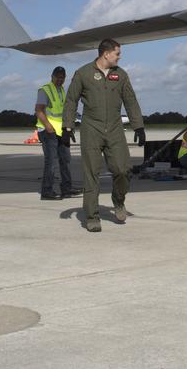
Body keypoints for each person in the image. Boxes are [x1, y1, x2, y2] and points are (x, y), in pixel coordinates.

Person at [61, 39, 145, 232]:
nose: (119, 57)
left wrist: (138, 127)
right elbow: (71, 101)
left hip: (115, 128)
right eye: (117, 53)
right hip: (91, 128)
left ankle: (119, 201)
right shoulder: (83, 73)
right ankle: (92, 217)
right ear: (106, 54)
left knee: (123, 169)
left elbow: (130, 101)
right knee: (91, 173)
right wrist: (67, 127)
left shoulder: (121, 75)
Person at [35, 66, 76, 200]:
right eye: (57, 77)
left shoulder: (62, 90)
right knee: (51, 162)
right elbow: (39, 110)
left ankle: (66, 188)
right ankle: (47, 191)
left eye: (62, 77)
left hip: (60, 131)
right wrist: (48, 126)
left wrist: (68, 129)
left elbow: (63, 112)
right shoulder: (44, 90)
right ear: (52, 76)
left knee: (65, 160)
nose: (59, 80)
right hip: (48, 131)